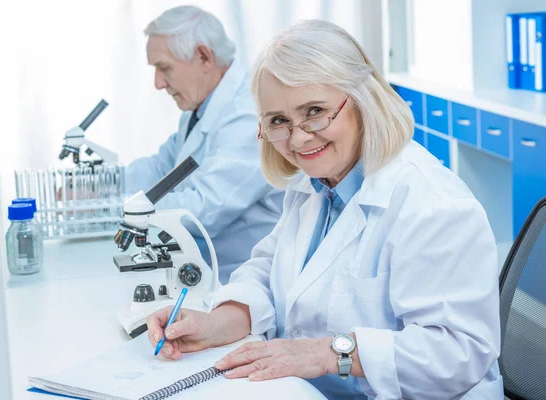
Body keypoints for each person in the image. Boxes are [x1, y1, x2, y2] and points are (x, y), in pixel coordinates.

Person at [145, 20, 503, 399]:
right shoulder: (315, 185)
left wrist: (330, 353)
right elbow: (268, 272)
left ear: (361, 99)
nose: (298, 138)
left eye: (315, 111)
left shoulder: (433, 205)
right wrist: (218, 322)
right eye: (279, 121)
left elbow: (458, 354)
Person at [124, 6, 283, 283]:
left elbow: (204, 209)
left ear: (203, 56)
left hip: (243, 279)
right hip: (205, 267)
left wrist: (121, 208)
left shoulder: (248, 114)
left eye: (164, 68)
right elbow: (162, 166)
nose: (158, 83)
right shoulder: (201, 107)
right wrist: (100, 189)